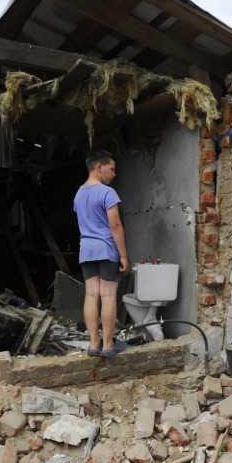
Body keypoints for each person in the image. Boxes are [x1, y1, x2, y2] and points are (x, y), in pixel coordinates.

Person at [74, 150, 130, 358]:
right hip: (106, 248)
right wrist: (123, 255)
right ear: (99, 167)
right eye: (111, 169)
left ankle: (93, 343)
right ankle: (107, 345)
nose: (114, 174)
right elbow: (115, 225)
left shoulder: (79, 194)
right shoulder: (107, 193)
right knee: (107, 296)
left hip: (86, 250)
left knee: (90, 295)